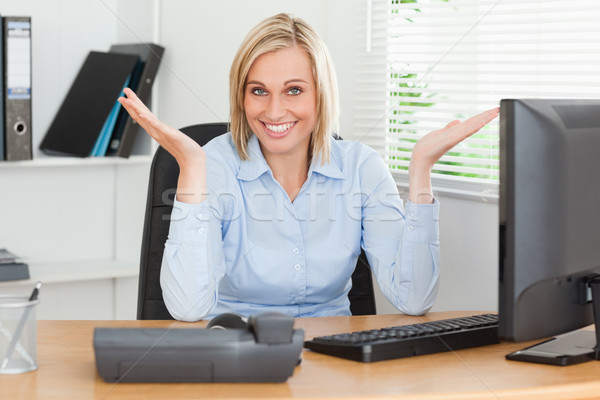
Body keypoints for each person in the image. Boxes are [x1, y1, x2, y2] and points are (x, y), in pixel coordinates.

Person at [118, 13, 498, 321]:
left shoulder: (361, 168)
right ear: (242, 96)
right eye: (259, 90)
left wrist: (420, 171)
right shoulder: (213, 165)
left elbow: (413, 300)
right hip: (235, 355)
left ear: (321, 94)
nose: (274, 110)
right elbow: (187, 309)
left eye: (294, 90)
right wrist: (192, 166)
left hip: (334, 359)